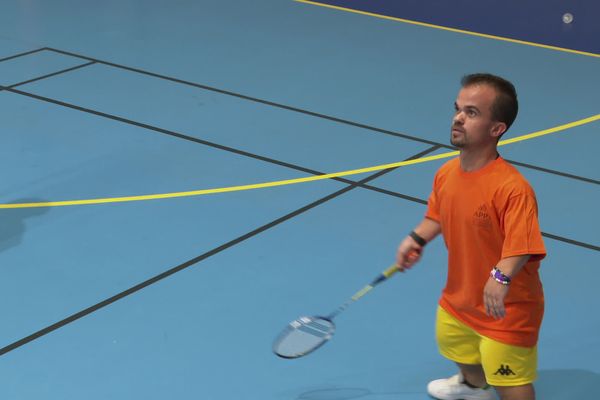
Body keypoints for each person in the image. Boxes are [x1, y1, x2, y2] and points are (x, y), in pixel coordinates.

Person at [396, 73, 546, 400]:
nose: (458, 118)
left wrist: (499, 276)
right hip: (460, 297)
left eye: (472, 112)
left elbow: (522, 246)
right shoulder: (447, 172)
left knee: (511, 381)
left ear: (497, 129)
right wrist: (417, 238)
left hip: (506, 307)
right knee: (457, 346)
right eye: (458, 108)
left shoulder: (512, 189)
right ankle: (474, 387)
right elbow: (437, 214)